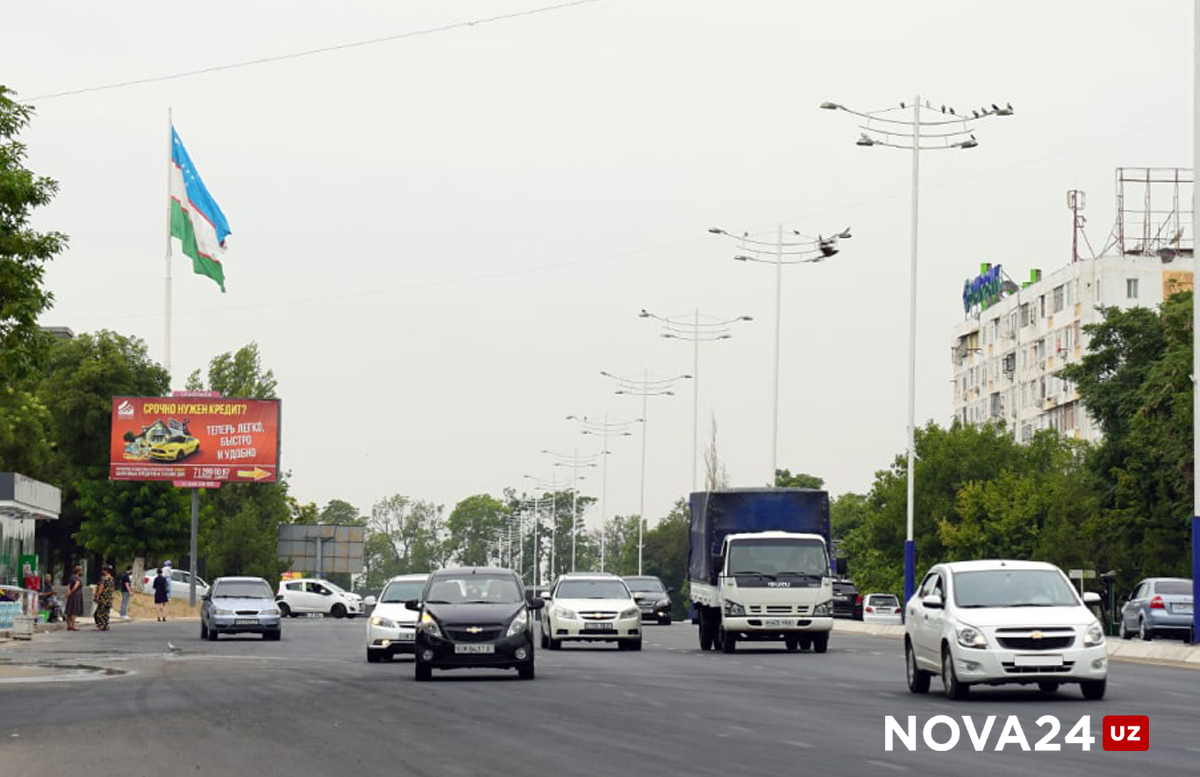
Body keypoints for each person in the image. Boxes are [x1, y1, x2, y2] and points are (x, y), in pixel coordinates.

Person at [93, 566, 114, 630]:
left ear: (105, 571)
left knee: (99, 612)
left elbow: (101, 587)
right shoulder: (112, 578)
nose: (102, 572)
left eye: (103, 570)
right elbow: (113, 588)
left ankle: (100, 625)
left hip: (103, 598)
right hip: (108, 598)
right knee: (106, 612)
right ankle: (105, 625)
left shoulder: (104, 579)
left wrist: (97, 595)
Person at [64, 565, 84, 631]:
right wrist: (72, 592)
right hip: (76, 595)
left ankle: (68, 625)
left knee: (69, 610)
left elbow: (68, 586)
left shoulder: (72, 577)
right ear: (79, 571)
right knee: (74, 610)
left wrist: (68, 593)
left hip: (71, 596)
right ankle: (73, 626)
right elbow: (76, 586)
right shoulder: (78, 578)